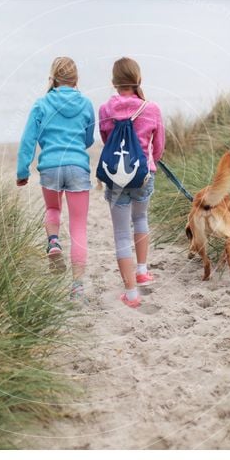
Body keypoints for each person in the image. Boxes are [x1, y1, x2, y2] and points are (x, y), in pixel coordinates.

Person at [17, 56, 95, 300]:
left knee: (52, 208)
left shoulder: (41, 104)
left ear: (52, 79)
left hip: (49, 166)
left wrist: (22, 171)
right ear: (76, 79)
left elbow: (28, 140)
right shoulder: (86, 104)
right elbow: (89, 138)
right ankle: (78, 287)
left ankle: (53, 241)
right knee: (78, 225)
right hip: (77, 167)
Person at [99, 57, 165, 308]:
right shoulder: (152, 109)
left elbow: (107, 140)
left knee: (120, 233)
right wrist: (150, 163)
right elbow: (158, 147)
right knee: (140, 219)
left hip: (117, 177)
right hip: (143, 175)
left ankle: (131, 294)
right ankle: (142, 271)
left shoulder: (106, 109)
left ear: (114, 82)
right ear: (138, 80)